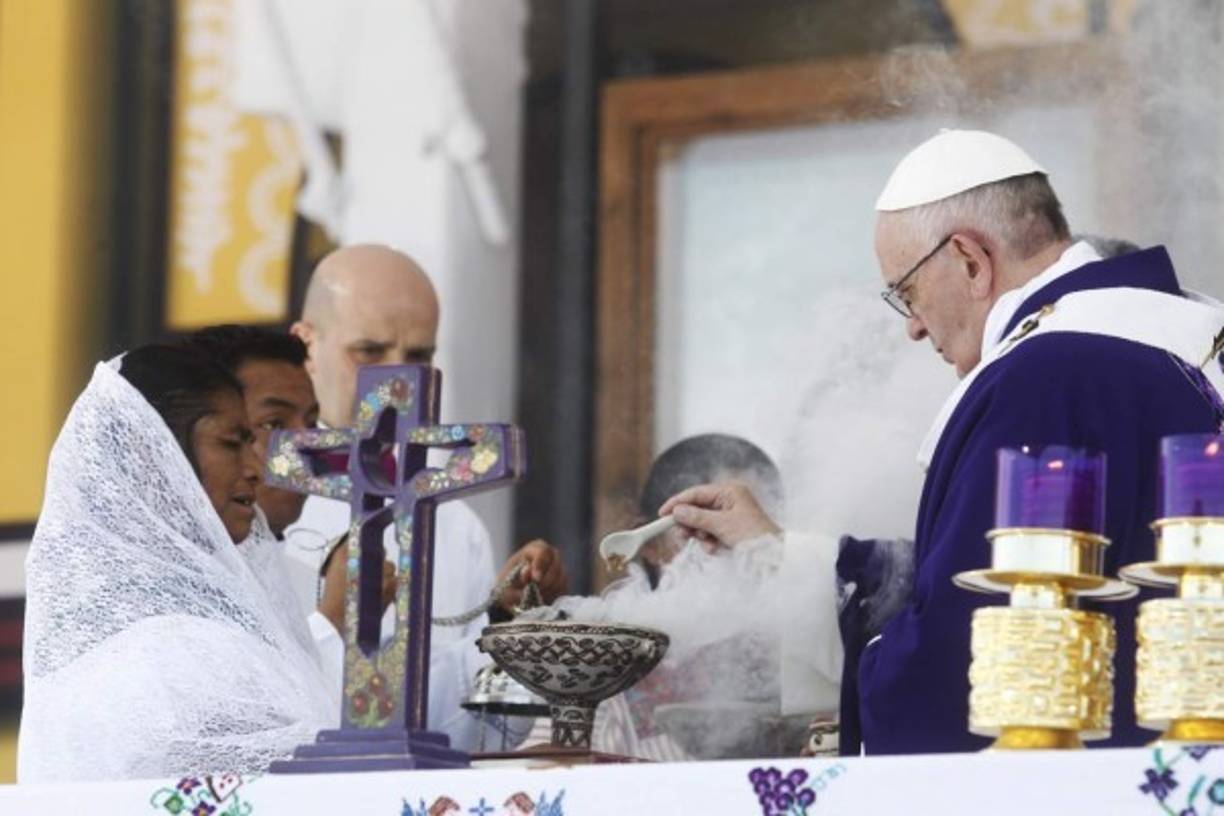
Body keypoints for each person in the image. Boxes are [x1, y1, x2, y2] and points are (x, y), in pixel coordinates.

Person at [662, 130, 1224, 755]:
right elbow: (984, 575)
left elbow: (963, 655)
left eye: (907, 292)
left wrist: (897, 673)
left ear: (970, 260)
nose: (913, 327)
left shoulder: (1047, 375)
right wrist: (785, 556)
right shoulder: (1169, 334)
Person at [284, 244, 566, 750]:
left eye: (419, 357)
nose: (397, 380)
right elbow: (248, 709)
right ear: (307, 346)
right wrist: (330, 626)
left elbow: (480, 734)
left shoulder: (452, 519)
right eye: (369, 352)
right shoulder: (264, 504)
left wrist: (508, 628)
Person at [18, 346, 333, 781]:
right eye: (231, 443)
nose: (256, 469)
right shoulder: (172, 656)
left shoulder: (112, 646)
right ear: (153, 462)